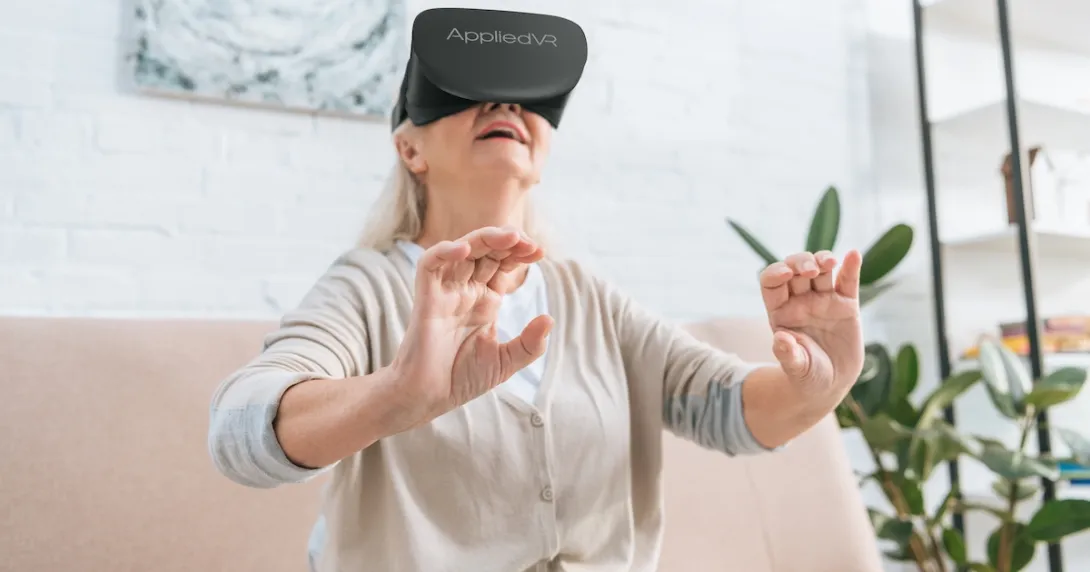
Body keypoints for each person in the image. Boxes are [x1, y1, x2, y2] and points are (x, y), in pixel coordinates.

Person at [207, 100, 865, 572]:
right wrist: (396, 395)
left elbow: (722, 407)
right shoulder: (369, 286)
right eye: (464, 88)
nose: (505, 103)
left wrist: (816, 385)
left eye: (532, 94)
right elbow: (239, 435)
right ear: (410, 148)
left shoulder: (587, 296)